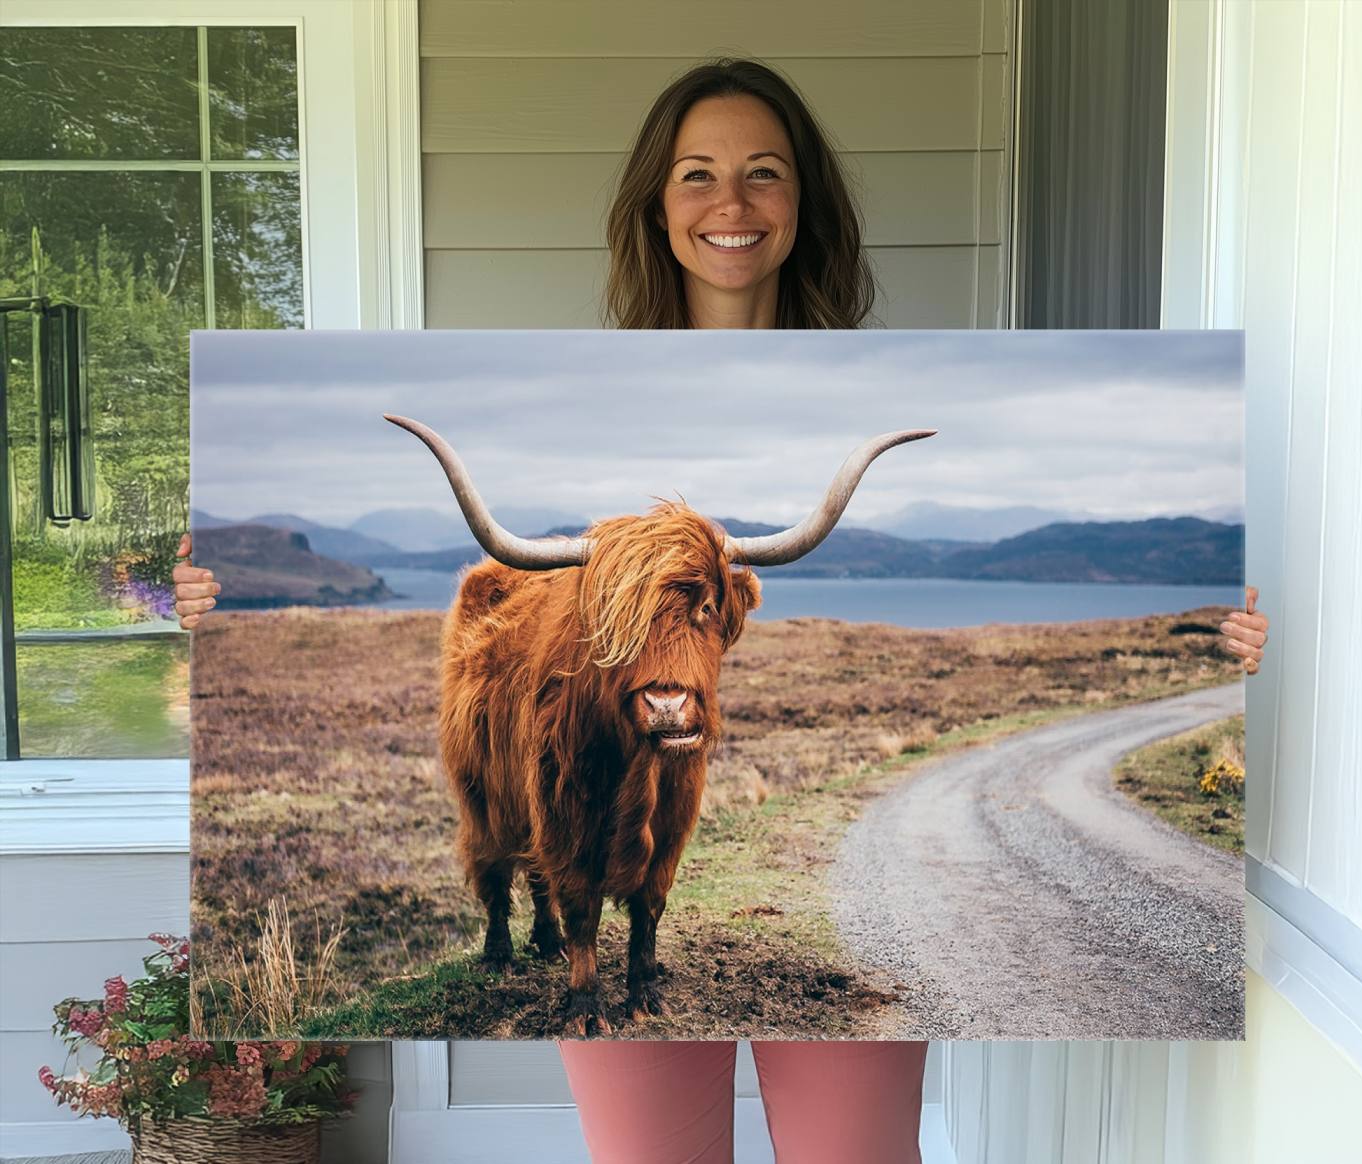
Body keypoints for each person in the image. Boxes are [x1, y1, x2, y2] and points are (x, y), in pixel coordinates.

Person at [173, 58, 1270, 1164]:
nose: (730, 203)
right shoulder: (561, 365)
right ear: (656, 204)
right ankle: (578, 941)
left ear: (805, 200)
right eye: (696, 173)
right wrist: (189, 609)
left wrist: (1236, 645)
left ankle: (644, 932)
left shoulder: (892, 369)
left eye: (765, 172)